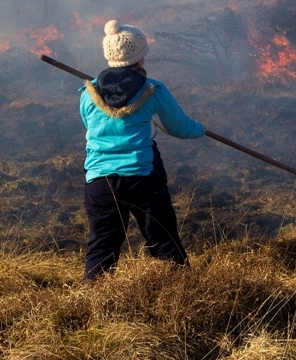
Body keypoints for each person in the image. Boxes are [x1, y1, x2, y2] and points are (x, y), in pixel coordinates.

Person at [79, 19, 205, 280]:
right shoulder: (152, 89)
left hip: (100, 180)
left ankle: (91, 306)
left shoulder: (88, 91)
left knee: (102, 247)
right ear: (140, 57)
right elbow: (179, 127)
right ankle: (182, 294)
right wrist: (200, 129)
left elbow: (89, 127)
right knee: (164, 241)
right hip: (142, 176)